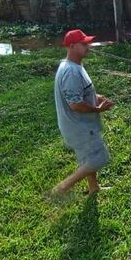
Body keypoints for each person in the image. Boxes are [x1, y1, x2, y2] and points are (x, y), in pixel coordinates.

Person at [51, 29, 114, 196]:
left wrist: (96, 97)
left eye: (88, 42)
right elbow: (75, 105)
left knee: (88, 156)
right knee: (98, 158)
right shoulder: (71, 72)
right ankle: (61, 189)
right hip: (79, 125)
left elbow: (81, 93)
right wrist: (98, 109)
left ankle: (94, 188)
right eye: (84, 43)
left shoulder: (75, 66)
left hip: (78, 124)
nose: (89, 46)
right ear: (72, 46)